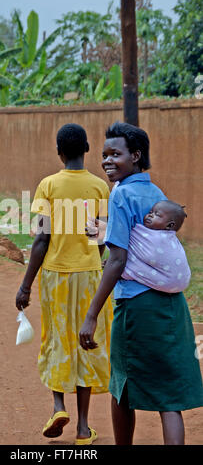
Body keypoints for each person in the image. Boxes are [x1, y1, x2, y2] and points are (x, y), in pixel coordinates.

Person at [79, 121, 203, 445]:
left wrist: (92, 315)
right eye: (104, 155)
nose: (106, 161)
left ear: (135, 156)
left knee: (122, 387)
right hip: (171, 306)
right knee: (169, 398)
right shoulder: (155, 192)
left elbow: (117, 261)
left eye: (115, 154)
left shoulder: (120, 194)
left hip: (137, 305)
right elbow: (142, 248)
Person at [16, 123, 113, 445]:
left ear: (59, 151)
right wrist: (91, 256)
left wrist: (26, 285)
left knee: (56, 339)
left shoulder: (48, 185)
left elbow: (42, 240)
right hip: (89, 276)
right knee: (86, 342)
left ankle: (58, 406)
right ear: (87, 149)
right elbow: (100, 238)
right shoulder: (100, 187)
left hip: (56, 276)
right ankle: (84, 428)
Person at [121, 200, 191, 292]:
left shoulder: (158, 238)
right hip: (182, 281)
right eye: (150, 212)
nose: (150, 215)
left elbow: (128, 230)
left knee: (133, 266)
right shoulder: (171, 238)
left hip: (167, 282)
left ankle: (123, 270)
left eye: (157, 215)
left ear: (169, 225)